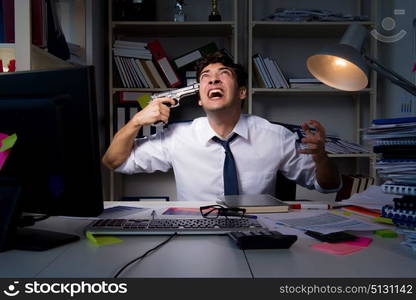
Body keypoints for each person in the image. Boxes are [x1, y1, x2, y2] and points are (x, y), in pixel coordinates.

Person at [102, 51, 341, 201]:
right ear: (200, 97)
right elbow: (114, 161)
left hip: (258, 231)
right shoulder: (177, 137)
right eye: (205, 76)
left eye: (223, 73)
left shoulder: (275, 136)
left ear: (242, 92)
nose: (213, 78)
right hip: (195, 233)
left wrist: (321, 158)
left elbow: (327, 187)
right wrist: (135, 122)